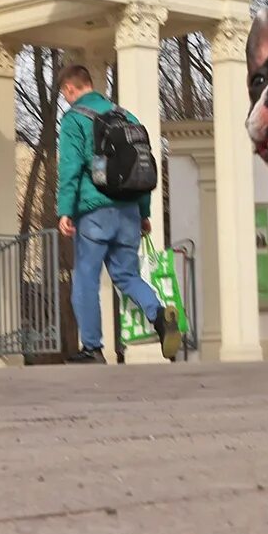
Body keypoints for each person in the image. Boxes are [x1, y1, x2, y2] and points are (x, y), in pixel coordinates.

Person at [56, 65, 181, 363]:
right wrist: (143, 213)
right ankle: (160, 315)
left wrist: (65, 210)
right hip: (127, 211)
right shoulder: (127, 116)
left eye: (64, 93)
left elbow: (71, 168)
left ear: (71, 89)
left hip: (94, 211)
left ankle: (92, 348)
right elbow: (142, 166)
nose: (65, 99)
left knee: (86, 277)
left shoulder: (74, 119)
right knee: (127, 275)